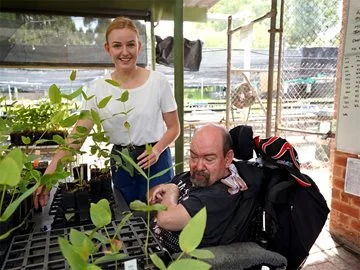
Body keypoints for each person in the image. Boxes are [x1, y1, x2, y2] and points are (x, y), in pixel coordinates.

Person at [34, 17, 180, 208]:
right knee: (126, 215)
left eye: (130, 45)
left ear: (139, 46)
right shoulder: (98, 88)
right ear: (107, 48)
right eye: (117, 45)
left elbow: (174, 128)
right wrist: (50, 174)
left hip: (155, 159)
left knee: (159, 215)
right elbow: (77, 136)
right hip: (121, 161)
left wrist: (158, 148)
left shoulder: (158, 82)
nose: (125, 52)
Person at [148, 124, 253, 253]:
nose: (198, 166)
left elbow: (166, 219)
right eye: (193, 157)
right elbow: (151, 195)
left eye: (208, 159)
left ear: (227, 159)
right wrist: (162, 190)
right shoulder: (194, 177)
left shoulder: (220, 194)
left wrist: (170, 190)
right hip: (147, 240)